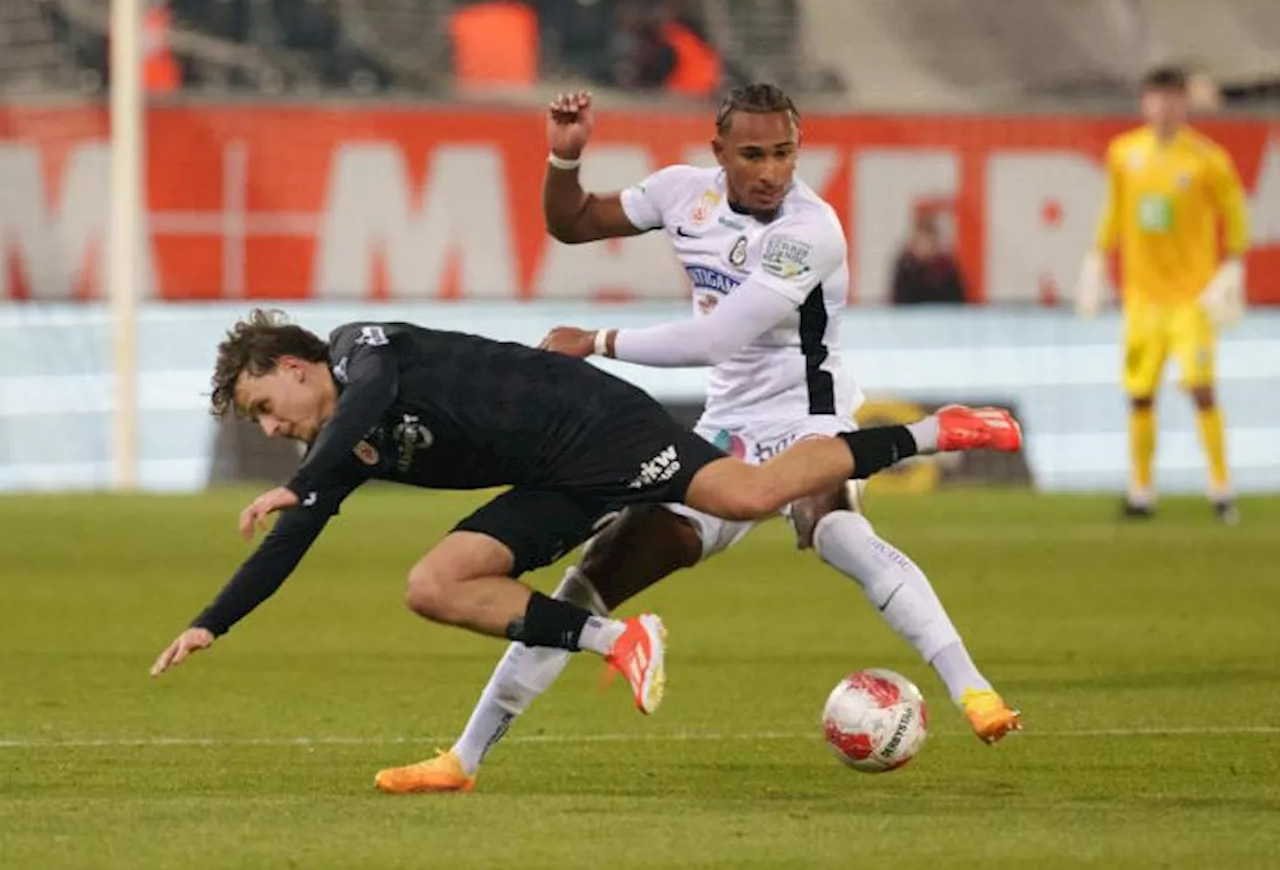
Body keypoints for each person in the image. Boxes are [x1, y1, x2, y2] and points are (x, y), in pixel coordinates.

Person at [372, 83, 1022, 796]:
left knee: (834, 529)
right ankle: (462, 761)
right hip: (722, 429)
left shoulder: (812, 229)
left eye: (784, 152)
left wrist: (598, 339)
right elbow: (574, 223)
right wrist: (565, 161)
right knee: (590, 582)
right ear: (719, 153)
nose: (772, 170)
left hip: (809, 416)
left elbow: (719, 336)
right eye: (753, 154)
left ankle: (974, 692)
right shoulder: (682, 193)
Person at [150, 314, 1022, 759]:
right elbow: (292, 538)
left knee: (753, 494)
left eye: (268, 407)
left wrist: (299, 480)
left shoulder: (359, 349)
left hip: (595, 427)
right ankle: (618, 640)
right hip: (548, 483)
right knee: (436, 583)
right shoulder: (343, 447)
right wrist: (212, 622)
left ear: (296, 368)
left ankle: (934, 431)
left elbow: (371, 396)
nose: (271, 428)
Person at [1076, 65, 1250, 523]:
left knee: (1201, 390)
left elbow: (1235, 214)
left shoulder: (1207, 159)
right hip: (1142, 301)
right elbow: (1115, 208)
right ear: (1144, 102)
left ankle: (1221, 490)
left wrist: (1232, 265)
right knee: (1139, 396)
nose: (1163, 106)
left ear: (1183, 103)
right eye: (1155, 97)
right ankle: (1141, 493)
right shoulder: (1124, 153)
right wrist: (1096, 258)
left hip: (1192, 300)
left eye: (1172, 98)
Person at [891, 202, 966, 305]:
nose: (924, 248)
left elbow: (956, 300)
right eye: (921, 242)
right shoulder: (906, 267)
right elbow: (899, 299)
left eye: (928, 242)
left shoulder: (946, 268)